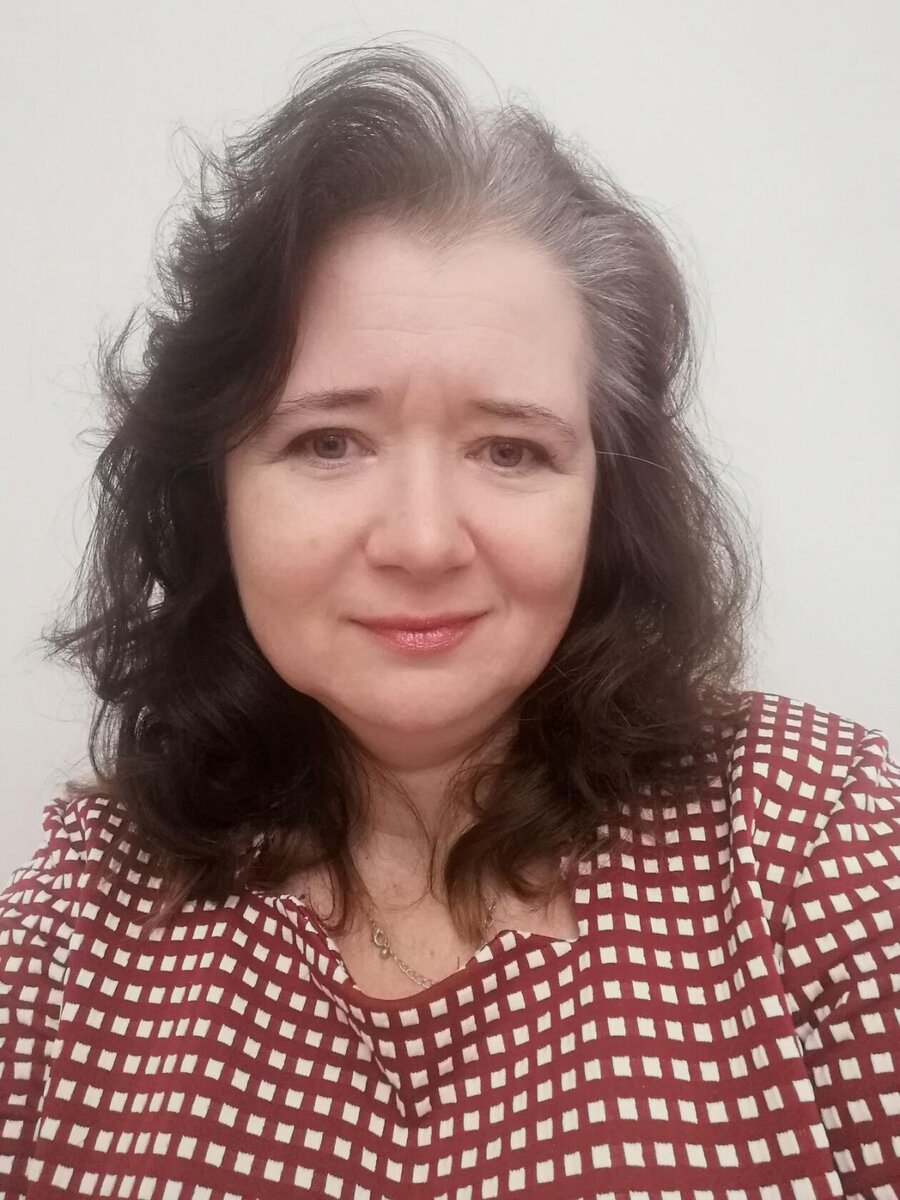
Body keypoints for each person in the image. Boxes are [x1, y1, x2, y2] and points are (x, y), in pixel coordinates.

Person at [1, 42, 897, 1200]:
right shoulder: (74, 929)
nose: (422, 542)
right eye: (329, 441)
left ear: (605, 499)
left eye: (510, 450)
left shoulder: (811, 836)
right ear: (212, 490)